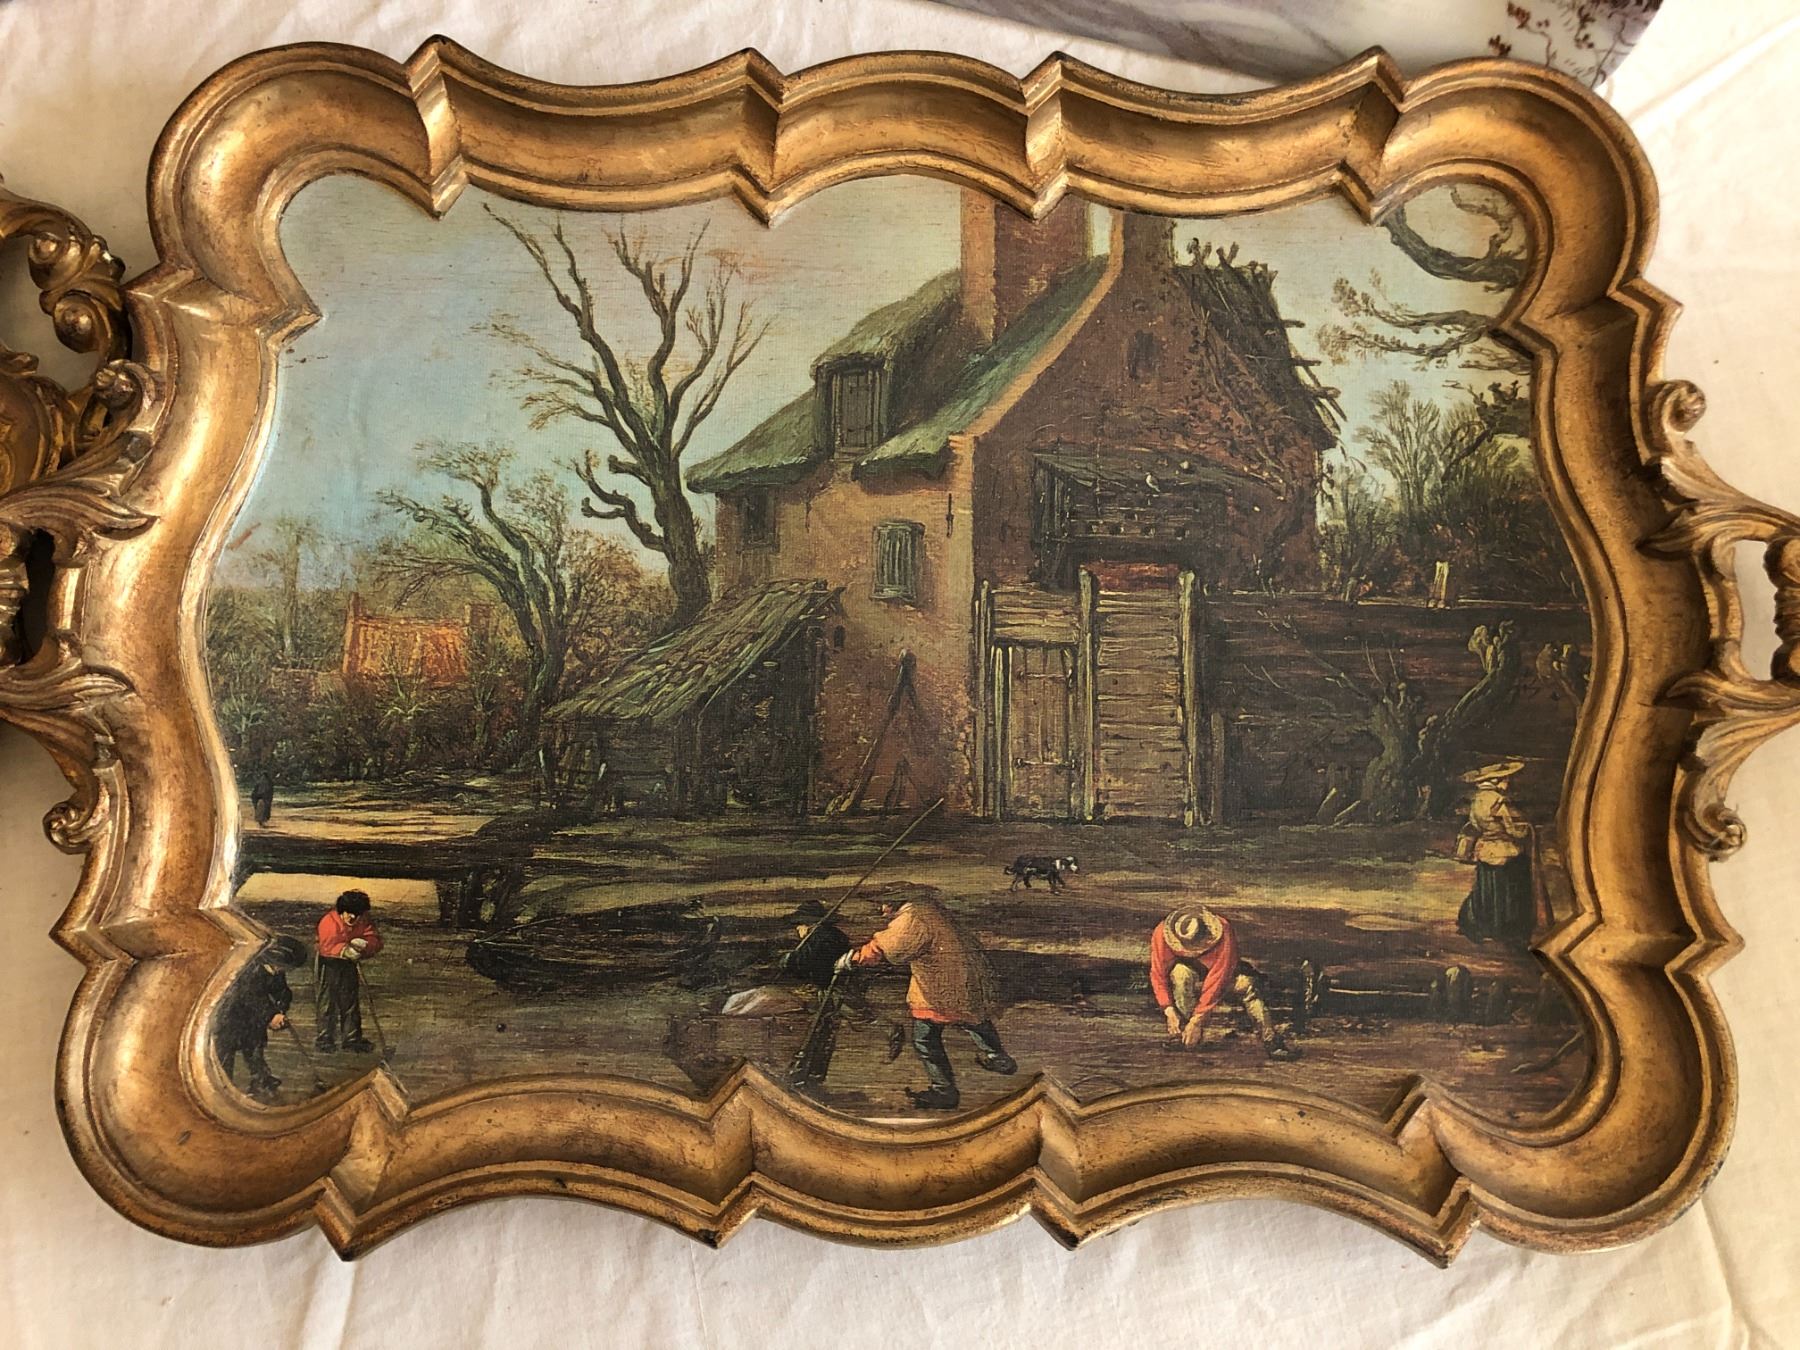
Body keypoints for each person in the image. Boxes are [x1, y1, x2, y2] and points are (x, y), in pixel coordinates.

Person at [835, 885, 1016, 1110]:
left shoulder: (912, 918)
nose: (882, 911)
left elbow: (890, 948)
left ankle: (944, 1091)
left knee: (925, 1038)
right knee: (973, 1018)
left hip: (941, 984)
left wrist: (852, 959)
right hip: (963, 976)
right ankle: (998, 1057)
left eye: (884, 904)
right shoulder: (929, 910)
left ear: (895, 902)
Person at [1150, 905, 1294, 1059]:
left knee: (1246, 984)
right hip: (1193, 977)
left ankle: (1271, 1040)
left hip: (1224, 977)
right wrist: (1169, 1010)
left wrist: (1197, 1020)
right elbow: (1158, 974)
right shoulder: (1162, 933)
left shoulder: (1223, 929)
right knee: (1180, 973)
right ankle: (1185, 1034)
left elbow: (1217, 981)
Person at [1454, 760, 1540, 951]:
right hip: (1506, 851)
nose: (1508, 782)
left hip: (1486, 851)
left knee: (1487, 889)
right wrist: (1527, 830)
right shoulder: (1498, 801)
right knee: (1512, 886)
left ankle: (1486, 925)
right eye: (1505, 778)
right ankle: (1508, 929)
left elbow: (1475, 825)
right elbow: (1513, 830)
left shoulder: (1477, 801)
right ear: (1496, 781)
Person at [214, 935, 306, 1101]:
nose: (284, 971)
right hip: (232, 1018)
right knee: (226, 1053)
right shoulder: (251, 969)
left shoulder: (276, 972)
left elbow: (283, 992)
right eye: (284, 967)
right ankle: (222, 1087)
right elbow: (251, 997)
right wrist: (271, 1015)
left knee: (255, 1049)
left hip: (254, 1019)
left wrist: (281, 1010)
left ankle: (261, 1081)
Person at [315, 889, 383, 1053]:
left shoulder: (363, 920)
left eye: (357, 915)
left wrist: (366, 945)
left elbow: (374, 939)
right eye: (348, 913)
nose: (352, 917)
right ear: (342, 911)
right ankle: (325, 1039)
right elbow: (327, 945)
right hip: (329, 963)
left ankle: (351, 1039)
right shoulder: (329, 921)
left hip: (349, 964)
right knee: (327, 1001)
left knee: (350, 1001)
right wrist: (343, 950)